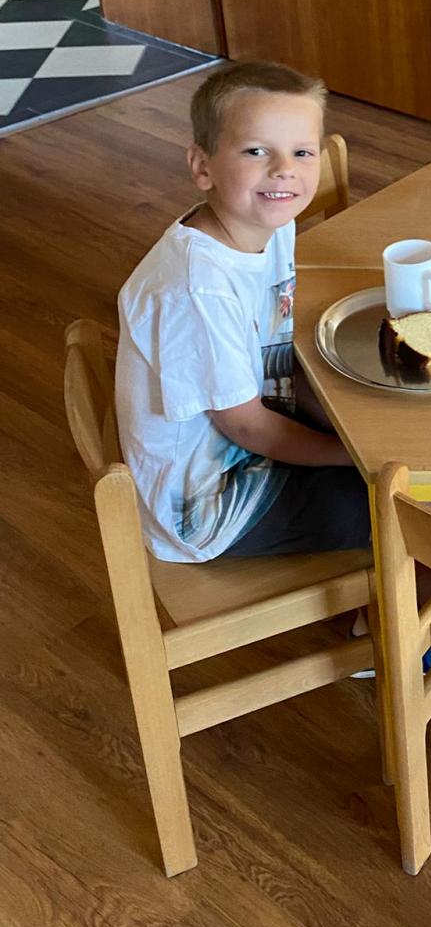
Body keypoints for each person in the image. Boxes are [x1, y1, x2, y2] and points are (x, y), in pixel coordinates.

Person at [116, 61, 371, 563]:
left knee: (398, 431)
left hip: (255, 422)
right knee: (425, 501)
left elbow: (272, 354)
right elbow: (248, 427)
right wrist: (354, 456)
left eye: (302, 152)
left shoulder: (271, 223)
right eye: (257, 151)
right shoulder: (197, 290)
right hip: (209, 504)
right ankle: (405, 607)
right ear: (202, 167)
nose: (284, 170)